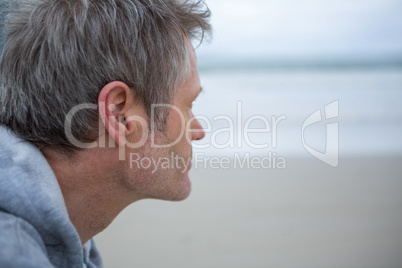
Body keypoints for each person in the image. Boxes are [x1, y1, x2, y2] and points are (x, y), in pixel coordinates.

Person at [0, 0, 211, 267]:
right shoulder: (13, 253)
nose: (198, 131)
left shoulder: (65, 233)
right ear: (120, 114)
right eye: (188, 105)